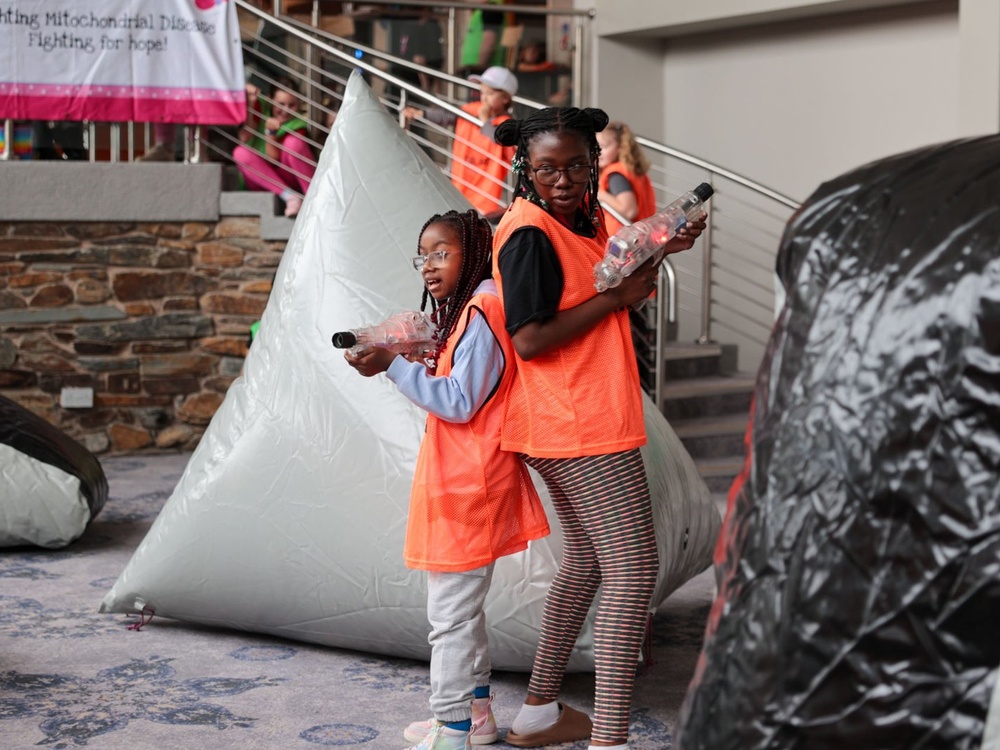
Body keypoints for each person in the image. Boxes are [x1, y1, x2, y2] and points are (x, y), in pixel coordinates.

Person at [489, 107, 706, 750]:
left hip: (579, 413)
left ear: (594, 163)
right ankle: (608, 739)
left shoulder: (574, 222)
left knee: (587, 562)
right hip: (574, 418)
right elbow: (528, 339)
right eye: (547, 167)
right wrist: (616, 297)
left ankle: (537, 713)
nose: (562, 178)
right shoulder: (528, 231)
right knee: (634, 568)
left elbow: (589, 299)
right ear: (526, 167)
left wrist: (645, 265)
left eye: (576, 165)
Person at [344, 209, 551, 750]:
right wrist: (416, 356)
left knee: (450, 616)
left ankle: (453, 727)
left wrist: (392, 365)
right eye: (423, 257)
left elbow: (459, 402)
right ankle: (477, 715)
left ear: (475, 253)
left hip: (470, 482)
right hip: (462, 476)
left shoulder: (484, 308)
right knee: (461, 609)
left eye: (442, 253)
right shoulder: (469, 312)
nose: (430, 267)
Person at [403, 67, 518, 218]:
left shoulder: (507, 124)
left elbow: (499, 138)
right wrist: (422, 114)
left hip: (486, 199)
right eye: (482, 92)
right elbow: (447, 116)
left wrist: (484, 121)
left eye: (490, 94)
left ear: (505, 98)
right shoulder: (472, 109)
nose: (484, 98)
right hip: (460, 186)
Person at [232, 79, 316, 218]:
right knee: (239, 152)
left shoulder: (299, 123)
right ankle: (290, 196)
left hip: (289, 177)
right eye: (281, 104)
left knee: (294, 143)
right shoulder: (262, 107)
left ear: (299, 104)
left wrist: (270, 134)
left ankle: (314, 199)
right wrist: (250, 100)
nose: (285, 110)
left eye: (292, 105)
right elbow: (244, 138)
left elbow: (273, 159)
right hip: (262, 179)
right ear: (271, 100)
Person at [596, 121, 657, 236]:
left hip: (624, 240)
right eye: (596, 146)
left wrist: (600, 194)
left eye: (604, 146)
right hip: (642, 236)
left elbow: (629, 210)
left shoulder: (615, 175)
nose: (599, 152)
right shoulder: (631, 171)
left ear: (620, 147)